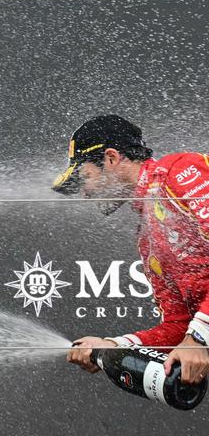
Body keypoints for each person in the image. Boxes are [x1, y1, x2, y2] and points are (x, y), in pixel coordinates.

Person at [53, 115, 209, 384]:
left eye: (84, 177)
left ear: (111, 159)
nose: (84, 194)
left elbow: (194, 334)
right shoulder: (148, 241)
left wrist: (198, 337)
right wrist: (114, 345)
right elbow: (179, 326)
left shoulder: (181, 172)